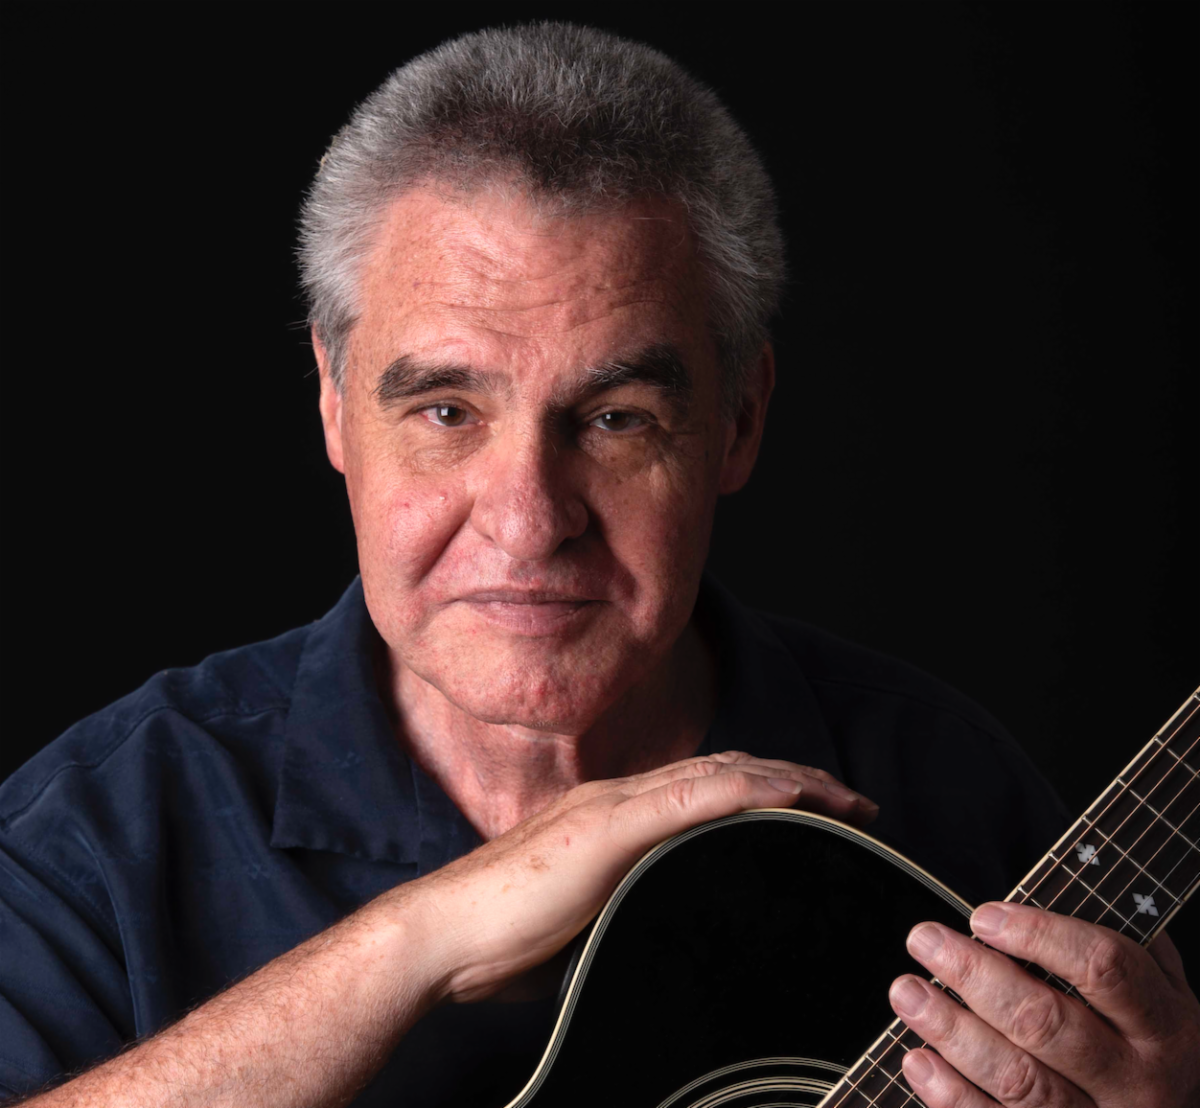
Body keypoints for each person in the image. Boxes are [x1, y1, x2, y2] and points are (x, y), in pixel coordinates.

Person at [1, 21, 1196, 1108]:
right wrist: (426, 933)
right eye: (447, 412)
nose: (528, 521)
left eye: (617, 418)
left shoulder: (941, 795)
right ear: (330, 403)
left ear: (738, 419)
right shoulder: (103, 831)